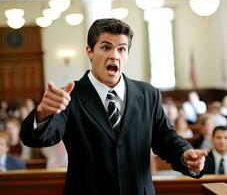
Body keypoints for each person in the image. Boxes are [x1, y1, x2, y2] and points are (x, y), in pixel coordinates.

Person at [21, 18, 207, 195]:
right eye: (106, 47)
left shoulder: (148, 93)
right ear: (89, 52)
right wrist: (42, 112)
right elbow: (38, 139)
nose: (114, 55)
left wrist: (184, 154)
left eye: (121, 49)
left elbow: (165, 137)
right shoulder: (69, 96)